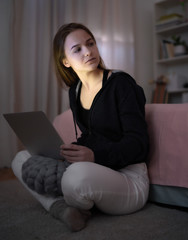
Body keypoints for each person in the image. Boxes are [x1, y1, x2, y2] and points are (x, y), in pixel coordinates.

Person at [11, 22, 150, 232]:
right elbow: (92, 137)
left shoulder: (121, 84)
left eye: (90, 43)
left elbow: (139, 145)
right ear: (65, 61)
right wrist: (71, 151)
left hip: (128, 177)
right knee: (20, 159)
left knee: (75, 178)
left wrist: (94, 156)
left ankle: (62, 200)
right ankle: (62, 208)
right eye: (77, 49)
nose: (88, 51)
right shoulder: (75, 91)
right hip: (97, 169)